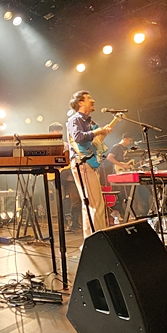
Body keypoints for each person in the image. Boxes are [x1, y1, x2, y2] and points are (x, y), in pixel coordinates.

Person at [66, 90, 112, 239]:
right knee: (95, 204)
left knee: (92, 204)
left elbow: (94, 143)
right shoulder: (75, 119)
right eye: (89, 98)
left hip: (89, 162)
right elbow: (78, 137)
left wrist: (103, 133)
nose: (93, 101)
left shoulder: (90, 122)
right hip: (82, 163)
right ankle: (98, 240)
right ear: (80, 103)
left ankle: (91, 239)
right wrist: (98, 131)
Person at [48, 122, 81, 231]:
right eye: (56, 130)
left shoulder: (66, 144)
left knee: (76, 198)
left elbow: (68, 158)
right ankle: (63, 223)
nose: (59, 132)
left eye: (60, 130)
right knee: (60, 199)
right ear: (51, 132)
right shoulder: (47, 144)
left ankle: (75, 222)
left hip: (68, 175)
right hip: (56, 175)